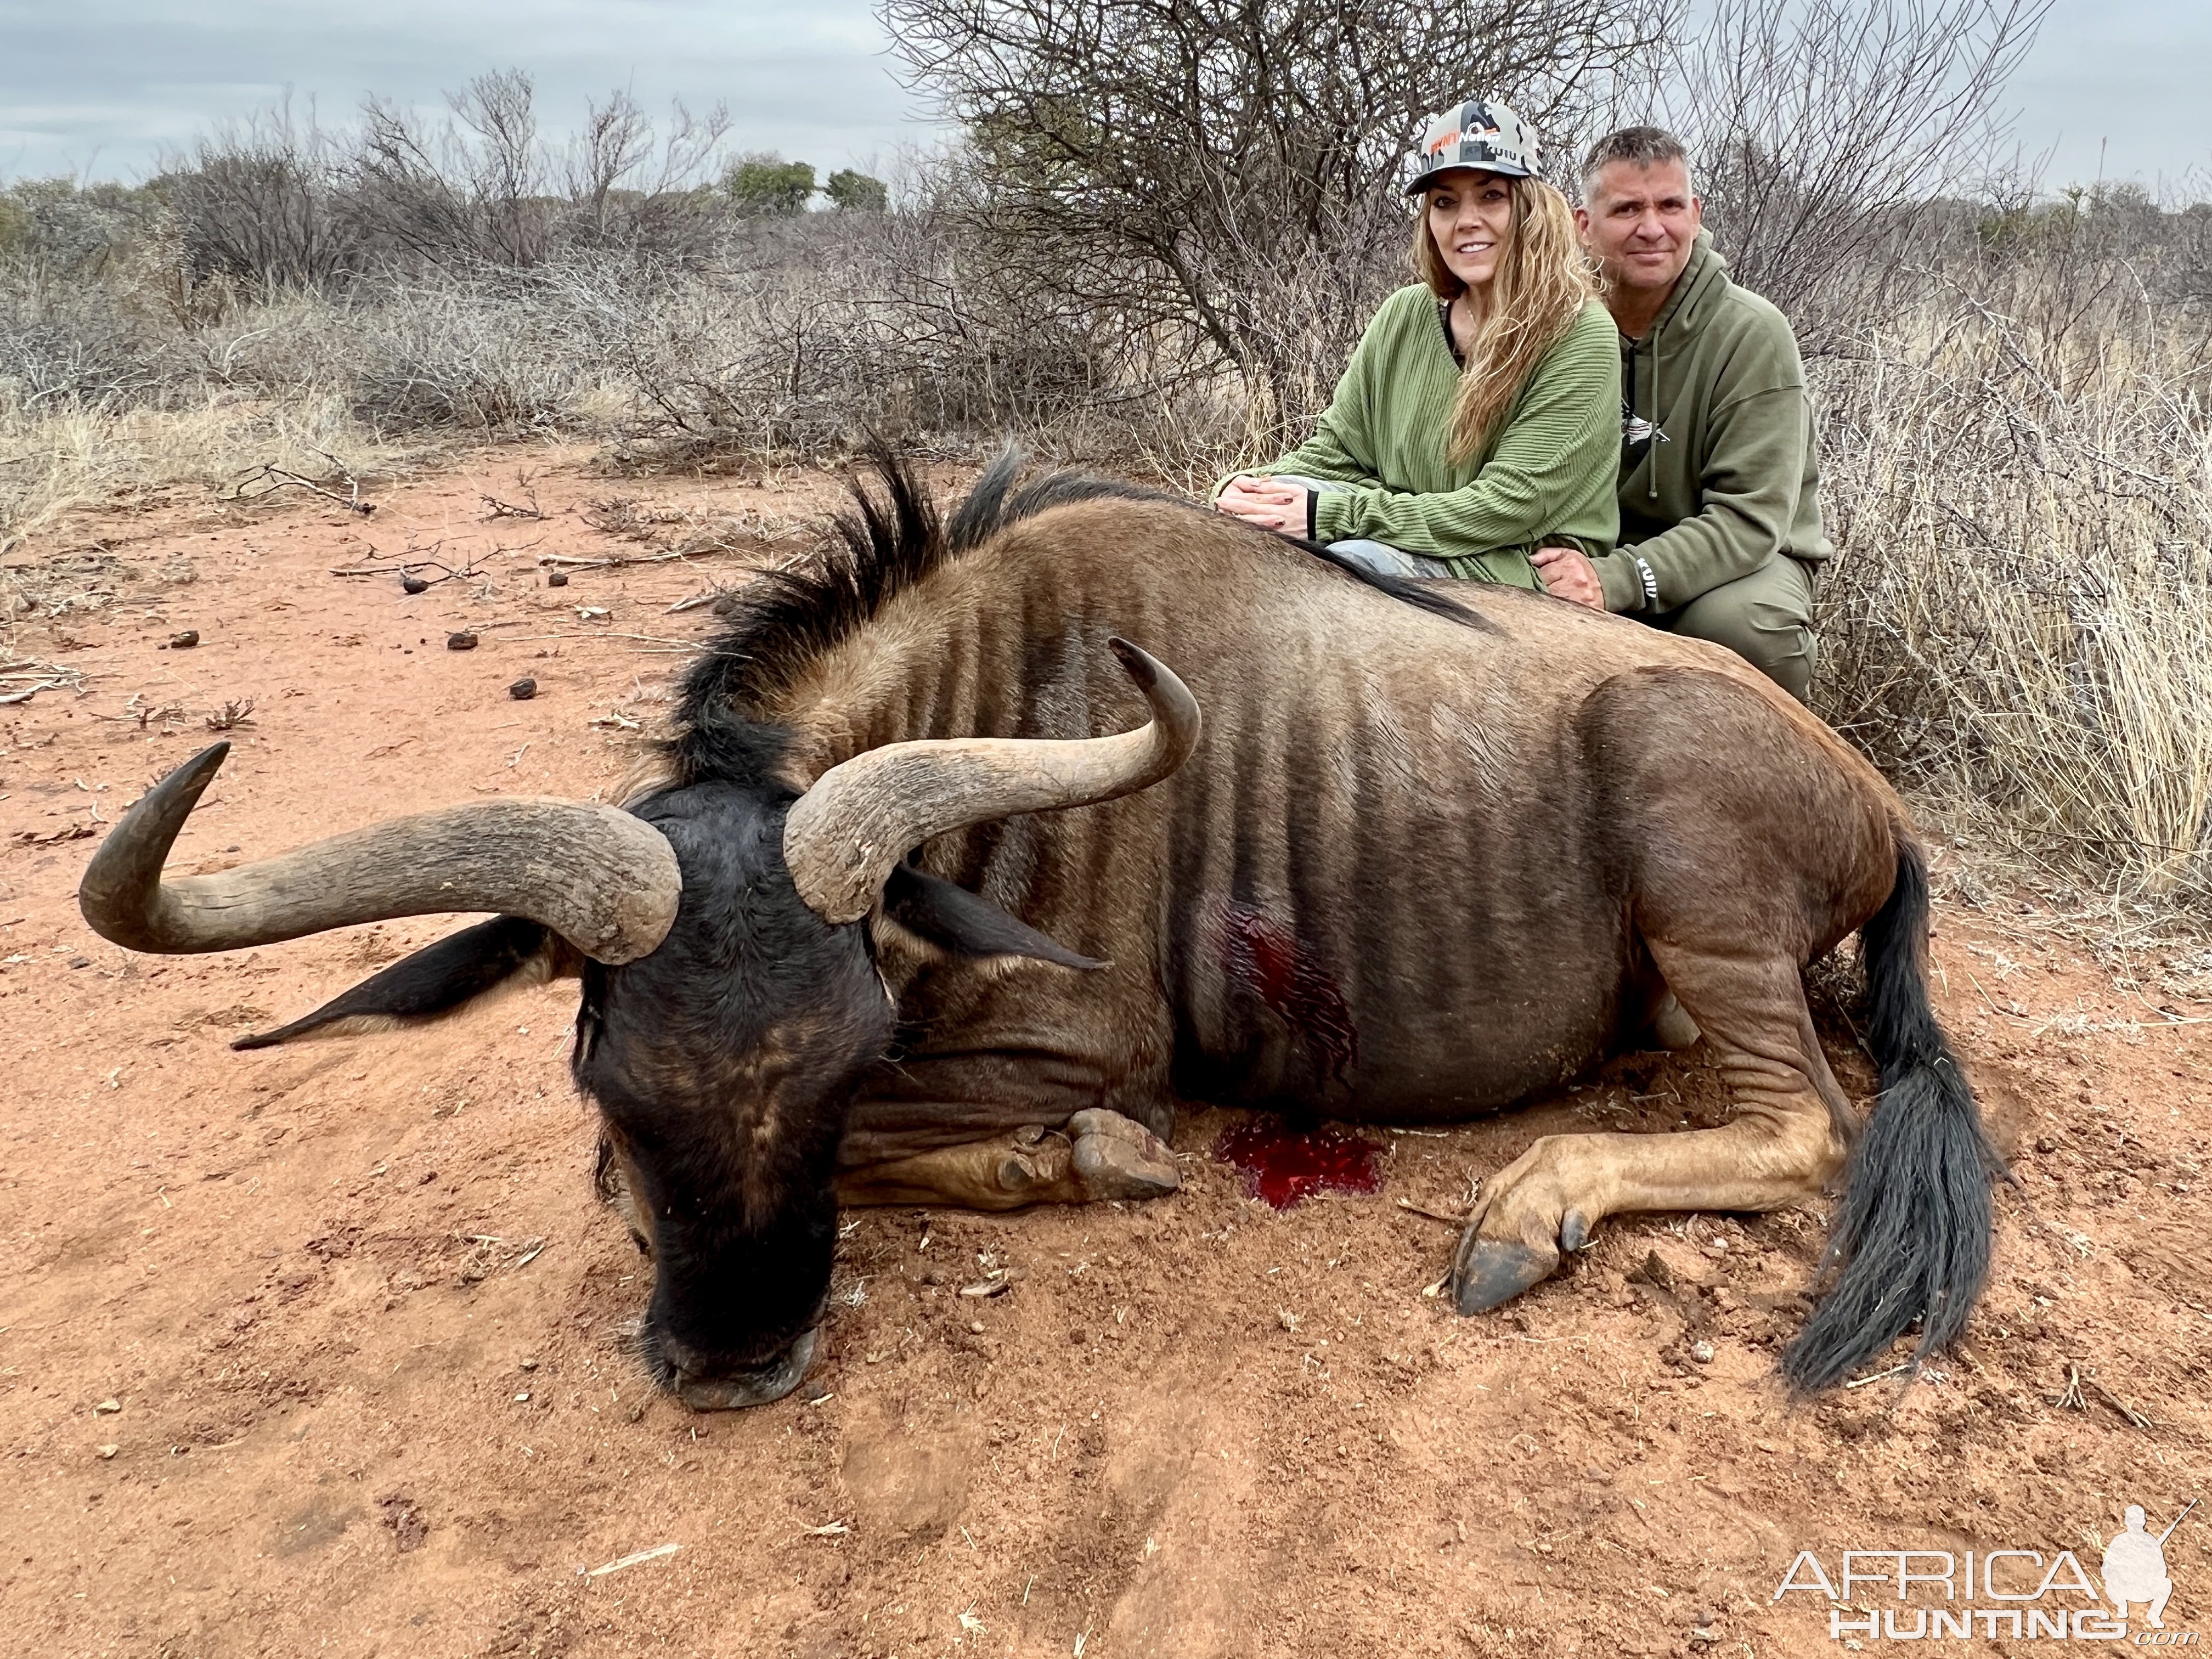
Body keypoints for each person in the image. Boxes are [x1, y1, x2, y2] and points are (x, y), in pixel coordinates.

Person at [1212, 97, 1618, 588]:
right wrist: (1248, 489)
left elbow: (1509, 506)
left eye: (1491, 196)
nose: (1466, 220)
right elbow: (1337, 449)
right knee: (1239, 528)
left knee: (1355, 567)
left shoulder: (1578, 329)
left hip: (1508, 557)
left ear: (1531, 209)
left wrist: (1335, 513)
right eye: (1445, 202)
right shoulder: (1406, 313)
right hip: (1409, 526)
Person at [1551, 125, 1828, 701]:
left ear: (1696, 213)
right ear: (1584, 225)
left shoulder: (1751, 332)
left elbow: (1749, 521)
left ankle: (1771, 781)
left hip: (1740, 560)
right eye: (1627, 208)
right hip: (1594, 550)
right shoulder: (1557, 323)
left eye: (1670, 206)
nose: (1652, 228)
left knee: (1744, 630)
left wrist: (1617, 581)